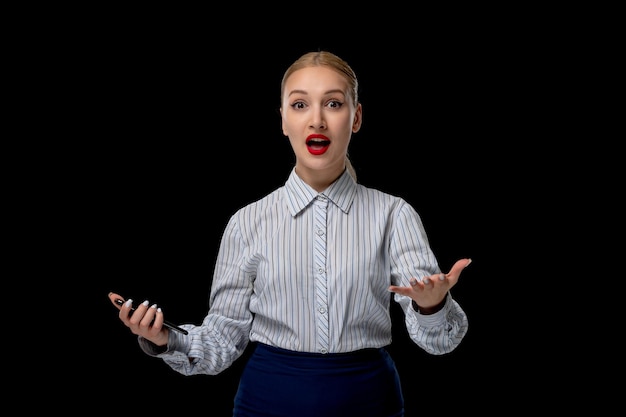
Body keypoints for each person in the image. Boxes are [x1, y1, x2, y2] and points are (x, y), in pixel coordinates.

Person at [108, 50, 471, 417]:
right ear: (283, 120)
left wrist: (432, 304)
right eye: (300, 105)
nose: (317, 120)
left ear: (356, 117)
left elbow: (439, 343)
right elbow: (221, 340)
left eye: (333, 103)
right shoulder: (248, 222)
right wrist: (163, 338)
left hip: (371, 402)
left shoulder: (395, 215)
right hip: (265, 403)